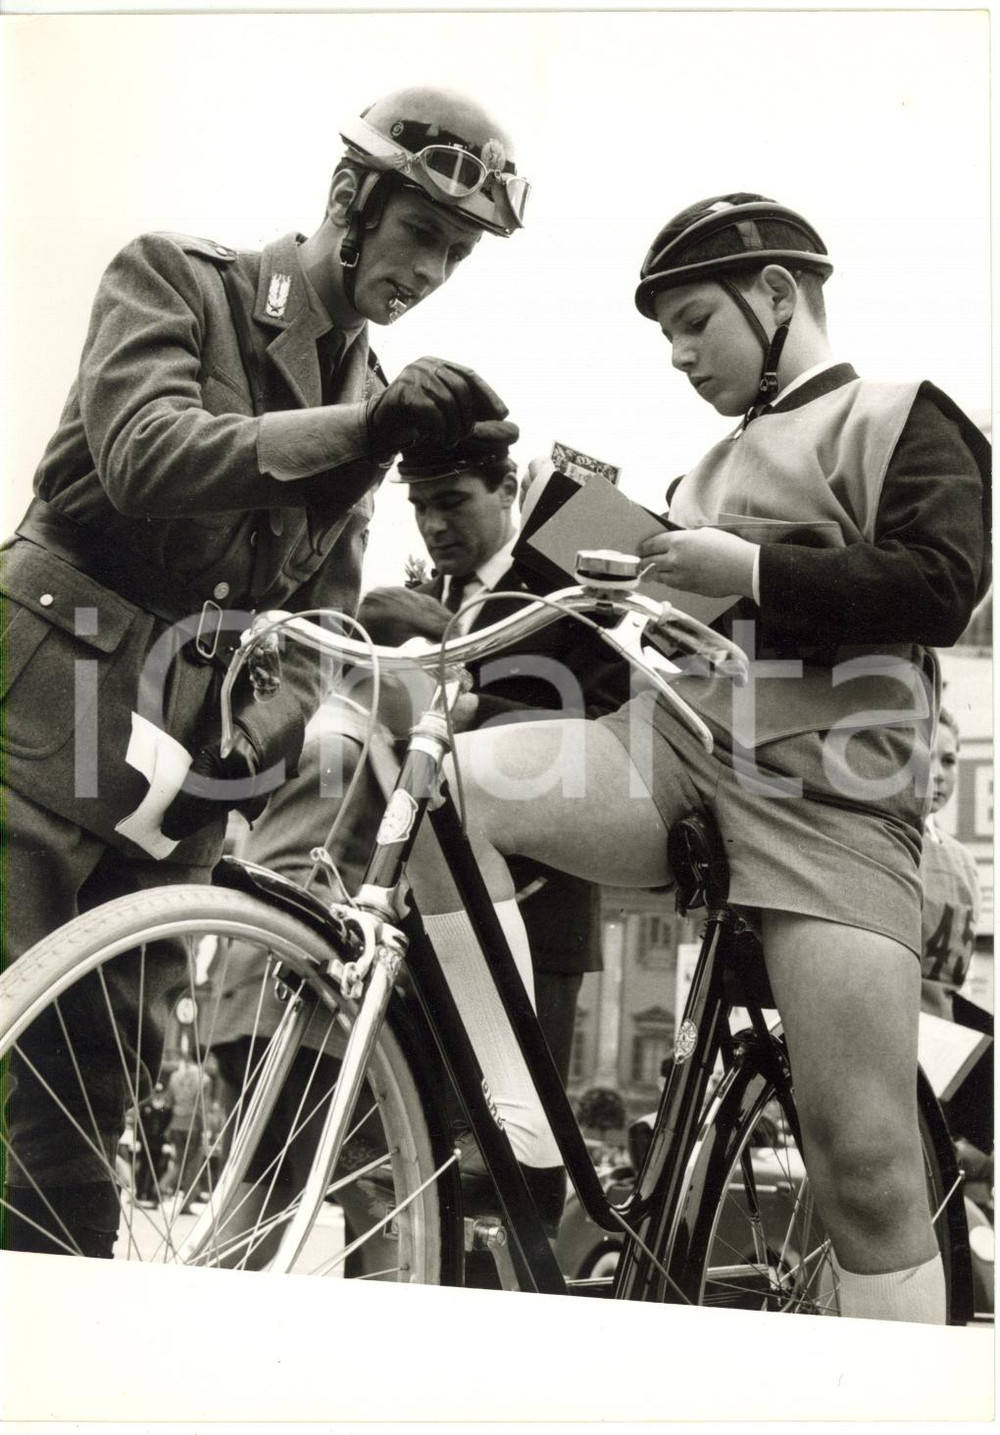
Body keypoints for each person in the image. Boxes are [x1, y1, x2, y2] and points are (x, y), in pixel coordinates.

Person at [403, 193, 990, 1322]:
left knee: (865, 1166)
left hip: (828, 791)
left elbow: (941, 582)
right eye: (662, 335)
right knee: (446, 792)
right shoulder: (699, 476)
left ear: (776, 296)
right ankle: (519, 1112)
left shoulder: (906, 415)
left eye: (691, 323)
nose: (676, 356)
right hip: (671, 746)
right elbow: (641, 649)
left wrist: (749, 567)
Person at [1, 84, 525, 1256]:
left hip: (168, 774)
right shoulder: (178, 280)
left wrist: (238, 760)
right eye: (423, 236)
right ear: (350, 198)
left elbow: (313, 629)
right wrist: (366, 432)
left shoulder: (363, 393)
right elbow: (145, 456)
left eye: (456, 255)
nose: (433, 272)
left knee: (85, 1112)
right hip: (45, 704)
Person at [918, 707, 981, 1021]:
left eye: (948, 760)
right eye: (927, 757)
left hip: (945, 1040)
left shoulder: (965, 864)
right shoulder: (875, 843)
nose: (938, 774)